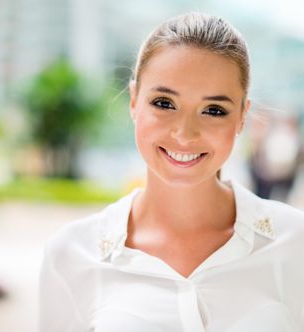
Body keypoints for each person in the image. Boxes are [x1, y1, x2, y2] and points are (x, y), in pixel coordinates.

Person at [38, 12, 304, 332]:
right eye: (164, 103)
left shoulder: (294, 242)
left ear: (242, 117)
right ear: (134, 100)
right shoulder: (71, 254)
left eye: (214, 110)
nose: (185, 133)